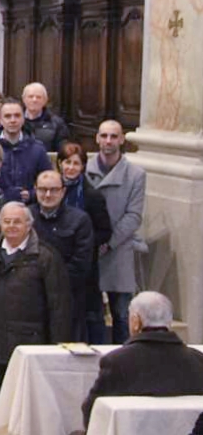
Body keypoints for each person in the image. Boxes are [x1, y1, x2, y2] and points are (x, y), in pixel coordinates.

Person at [0, 202, 71, 399]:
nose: (11, 226)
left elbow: (58, 306)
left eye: (17, 222)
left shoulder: (45, 257)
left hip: (32, 345)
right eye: (7, 221)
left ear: (29, 225)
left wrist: (58, 345)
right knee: (0, 402)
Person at [81, 291, 203, 426]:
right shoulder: (198, 361)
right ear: (169, 321)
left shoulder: (116, 362)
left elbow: (92, 413)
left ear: (135, 321)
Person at [85, 119, 146, 344]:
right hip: (89, 249)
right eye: (104, 136)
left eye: (113, 136)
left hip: (118, 250)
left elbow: (134, 216)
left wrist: (109, 242)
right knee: (93, 316)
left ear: (122, 139)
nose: (108, 141)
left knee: (122, 315)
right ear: (97, 138)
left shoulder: (136, 175)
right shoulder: (84, 169)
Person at [58, 142, 113, 343]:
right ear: (59, 164)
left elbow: (105, 231)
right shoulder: (52, 189)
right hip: (57, 260)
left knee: (89, 314)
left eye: (76, 163)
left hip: (84, 264)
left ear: (83, 166)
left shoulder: (92, 196)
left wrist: (82, 241)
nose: (71, 168)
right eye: (67, 162)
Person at [30, 170, 94, 339]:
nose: (48, 194)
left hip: (68, 300)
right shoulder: (26, 218)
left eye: (54, 189)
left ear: (63, 191)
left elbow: (81, 264)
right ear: (35, 190)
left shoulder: (80, 220)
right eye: (42, 189)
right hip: (32, 300)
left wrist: (52, 283)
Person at [0, 98, 52, 203]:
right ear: (0, 120)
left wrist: (32, 194)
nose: (13, 120)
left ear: (23, 119)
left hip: (30, 208)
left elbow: (48, 180)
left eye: (17, 116)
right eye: (7, 116)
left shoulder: (37, 149)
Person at [22, 82, 69, 152]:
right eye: (30, 96)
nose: (34, 100)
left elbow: (62, 150)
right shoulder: (14, 120)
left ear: (45, 100)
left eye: (38, 97)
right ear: (24, 99)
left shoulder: (57, 123)